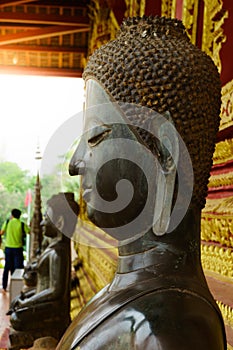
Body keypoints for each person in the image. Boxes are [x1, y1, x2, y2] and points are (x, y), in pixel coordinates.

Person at [57, 16, 227, 350]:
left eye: (95, 136)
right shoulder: (134, 295)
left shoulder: (168, 331)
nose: (76, 163)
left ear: (163, 153)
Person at [8, 193, 79, 350]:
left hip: (54, 308)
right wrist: (26, 296)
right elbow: (44, 285)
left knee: (17, 318)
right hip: (44, 298)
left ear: (59, 222)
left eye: (46, 218)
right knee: (17, 309)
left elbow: (55, 291)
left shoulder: (58, 253)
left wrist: (28, 303)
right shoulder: (53, 248)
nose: (41, 223)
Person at [0, 208, 30, 293]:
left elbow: (1, 232)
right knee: (18, 268)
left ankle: (4, 287)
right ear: (19, 216)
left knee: (7, 268)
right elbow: (30, 232)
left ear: (12, 215)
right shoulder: (22, 224)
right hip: (18, 249)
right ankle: (16, 288)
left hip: (8, 248)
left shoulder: (7, 222)